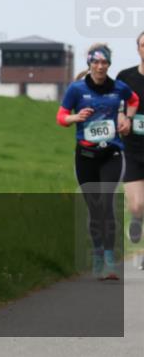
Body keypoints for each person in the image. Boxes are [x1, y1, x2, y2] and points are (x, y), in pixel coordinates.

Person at [56, 43, 139, 280]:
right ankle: (98, 256)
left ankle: (111, 262)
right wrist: (75, 117)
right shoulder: (76, 89)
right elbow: (60, 117)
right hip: (85, 156)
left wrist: (128, 120)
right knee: (94, 209)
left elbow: (133, 100)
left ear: (109, 64)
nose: (100, 66)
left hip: (111, 153)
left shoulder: (119, 87)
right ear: (90, 64)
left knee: (107, 202)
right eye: (96, 62)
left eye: (105, 63)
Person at [116, 32, 144, 263]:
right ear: (138, 48)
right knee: (137, 205)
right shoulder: (125, 77)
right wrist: (121, 120)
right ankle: (137, 219)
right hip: (132, 150)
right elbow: (116, 105)